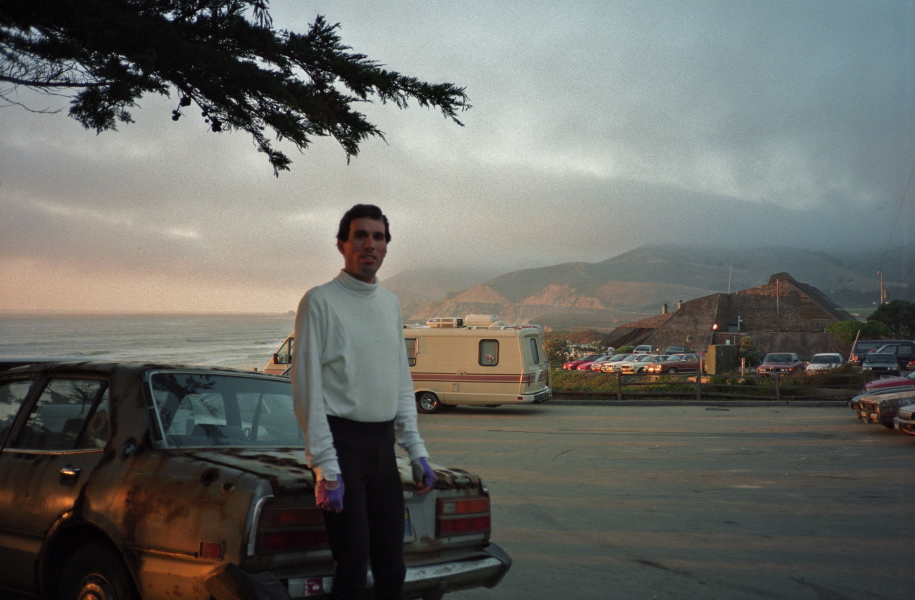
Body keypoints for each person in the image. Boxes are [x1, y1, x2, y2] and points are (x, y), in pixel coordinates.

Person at [291, 204, 435, 600]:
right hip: (342, 448)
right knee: (352, 569)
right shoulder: (319, 301)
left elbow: (400, 382)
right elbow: (307, 389)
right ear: (342, 244)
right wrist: (324, 466)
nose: (369, 244)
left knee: (393, 568)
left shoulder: (389, 304)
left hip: (382, 451)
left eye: (378, 236)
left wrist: (417, 451)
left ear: (386, 247)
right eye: (360, 235)